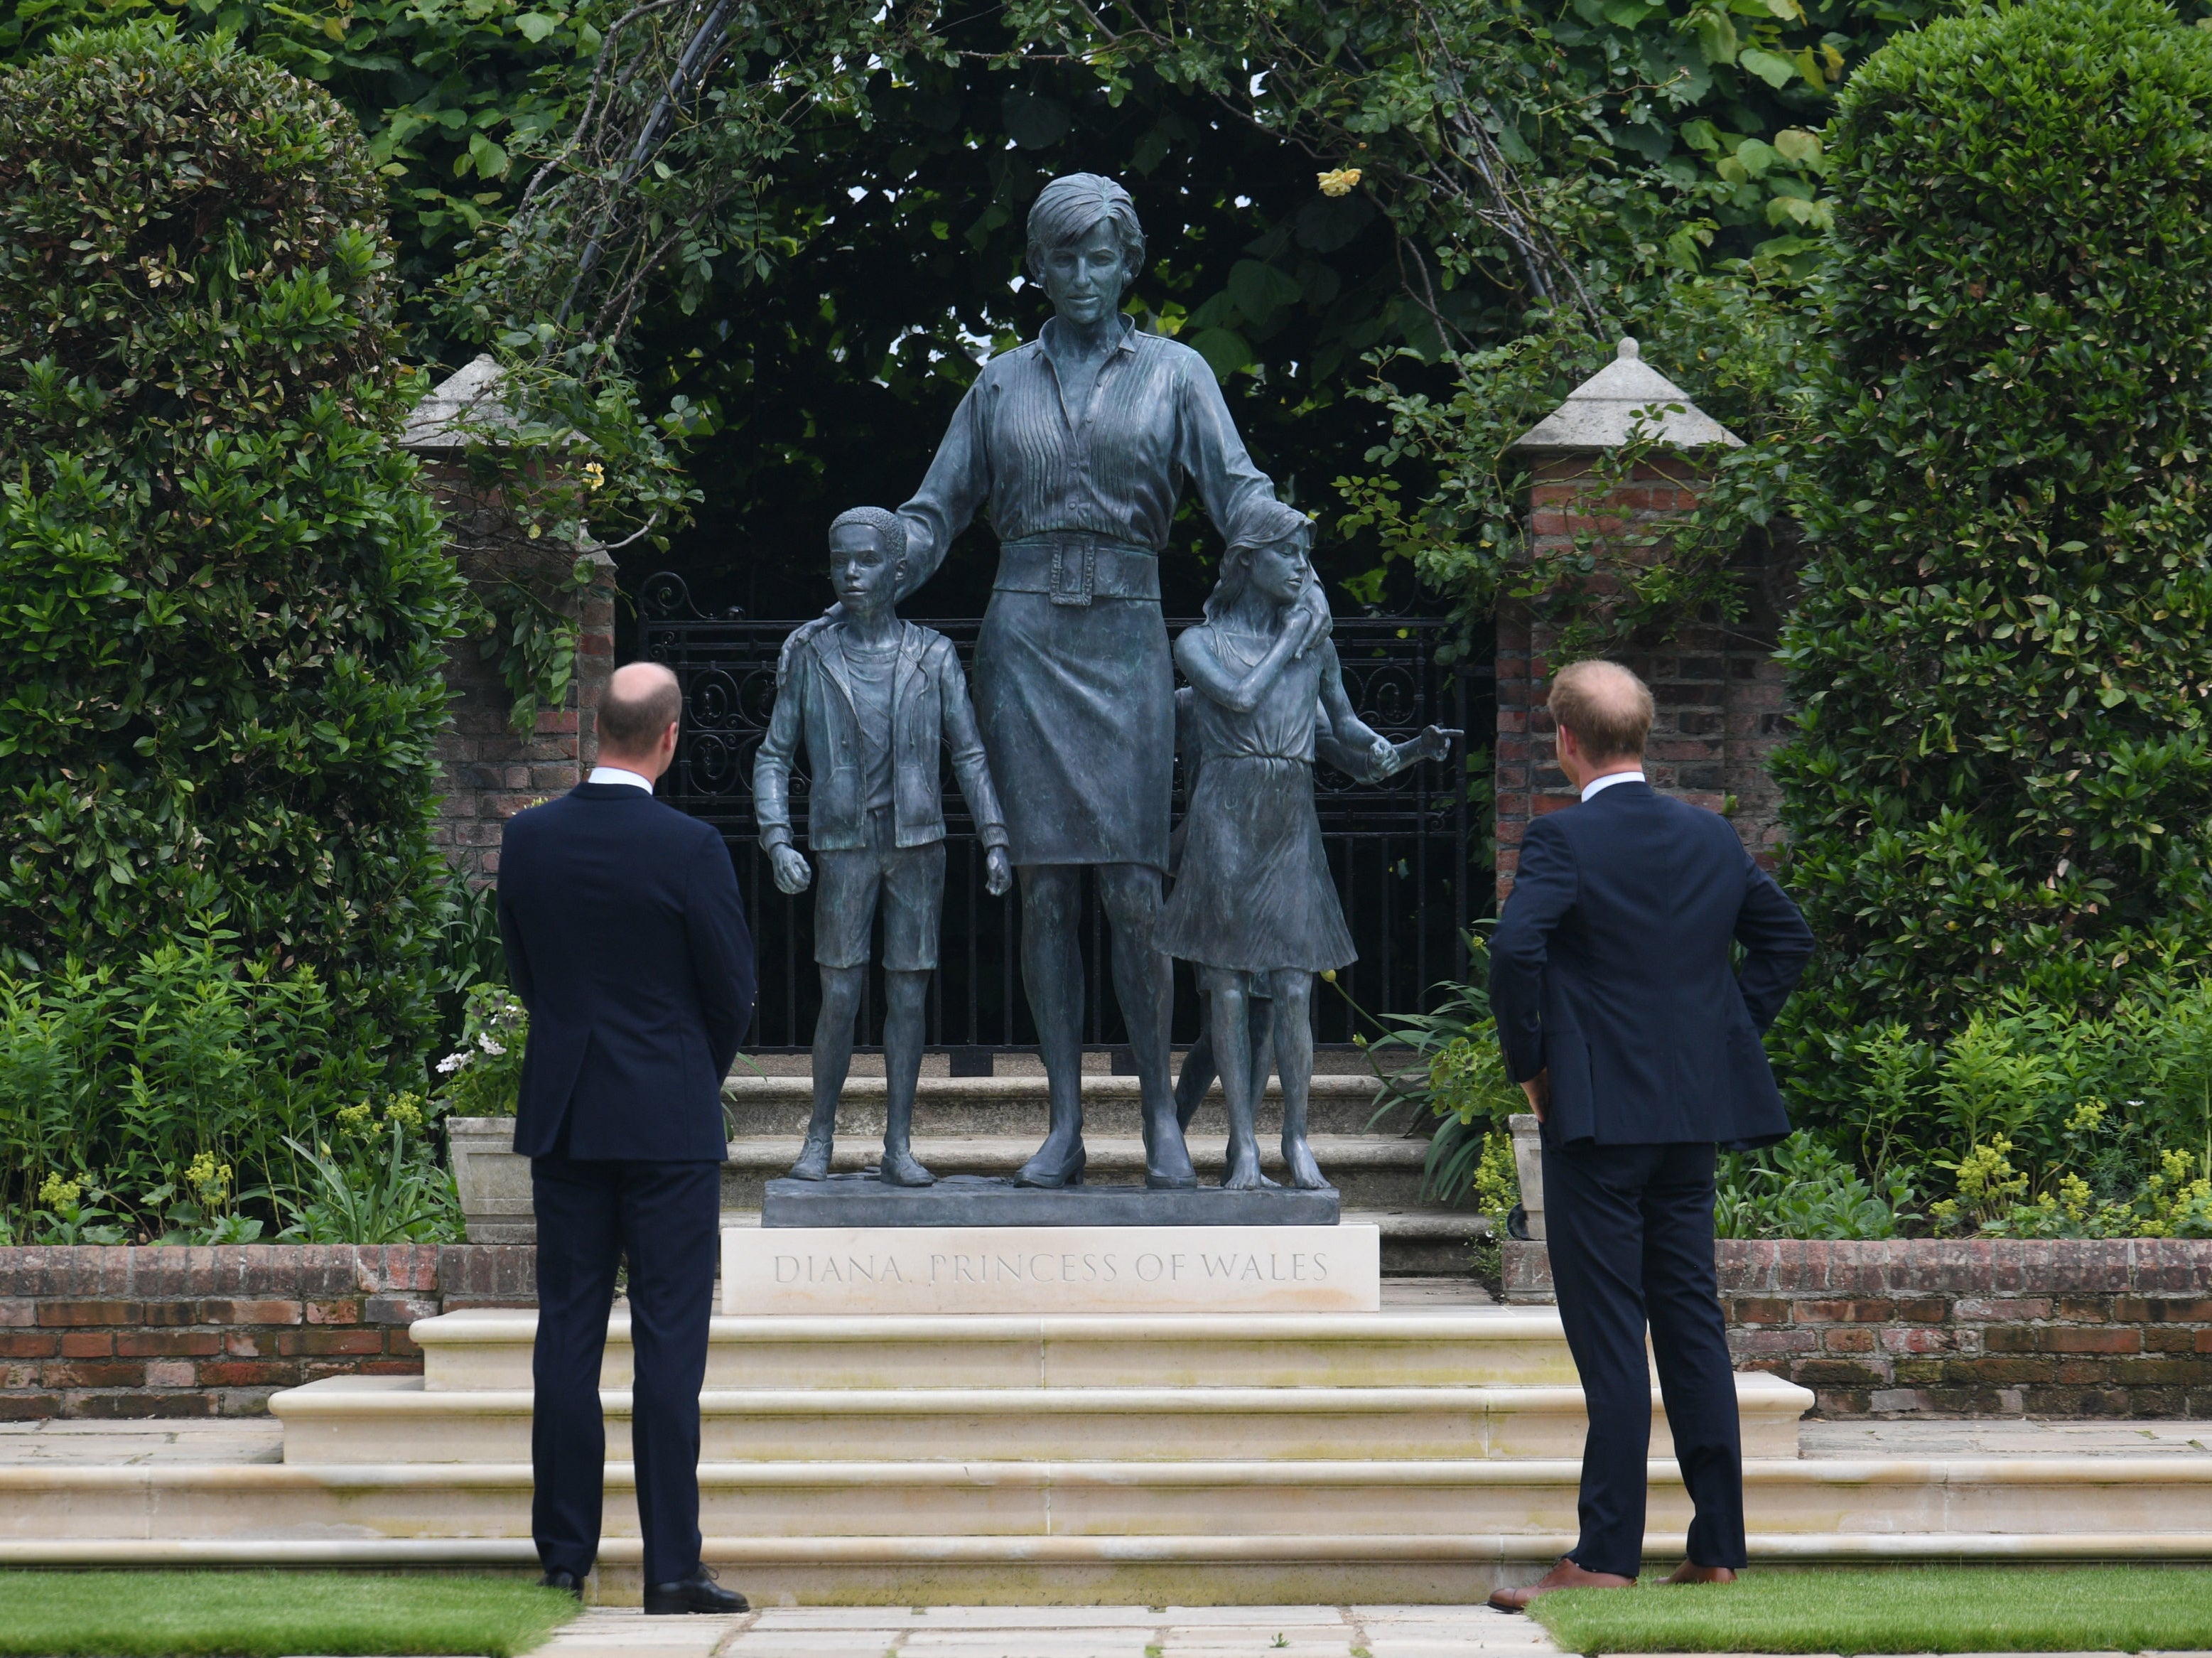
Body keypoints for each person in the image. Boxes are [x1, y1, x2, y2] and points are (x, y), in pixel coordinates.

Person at [785, 172, 1319, 1191]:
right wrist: (873, 563)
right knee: (1042, 895)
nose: (1081, 274)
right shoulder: (997, 385)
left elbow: (1236, 488)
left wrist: (1292, 551)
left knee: (1132, 886)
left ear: (1130, 263)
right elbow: (934, 512)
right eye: (1062, 256)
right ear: (1037, 265)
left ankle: (1161, 1114)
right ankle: (1066, 1119)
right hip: (1024, 642)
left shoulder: (1176, 374)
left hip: (1124, 636)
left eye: (1100, 256)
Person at [1484, 659, 1813, 1610]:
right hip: (1688, 1123)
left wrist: (1534, 1065)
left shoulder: (1561, 839)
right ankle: (1715, 1545)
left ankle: (1603, 1555)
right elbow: (1785, 940)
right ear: (1647, 735)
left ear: (1565, 742)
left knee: (1611, 1340)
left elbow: (1514, 950)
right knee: (1690, 1324)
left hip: (1594, 1123)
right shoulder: (1709, 836)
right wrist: (1722, 1037)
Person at [497, 660, 757, 1613]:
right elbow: (732, 991)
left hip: (568, 1114)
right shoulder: (690, 847)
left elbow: (526, 972)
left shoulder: (527, 840)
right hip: (668, 1123)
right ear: (670, 737)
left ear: (593, 729)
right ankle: (672, 1568)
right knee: (668, 1345)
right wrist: (688, 1067)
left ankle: (564, 1555)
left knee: (566, 1331)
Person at [1158, 506, 1454, 1189]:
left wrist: (1405, 749)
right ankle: (1241, 1147)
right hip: (1225, 816)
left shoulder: (1315, 647)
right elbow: (1236, 697)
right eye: (1286, 554)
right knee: (1227, 988)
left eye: (1303, 555)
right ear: (1246, 564)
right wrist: (1292, 635)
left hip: (1288, 817)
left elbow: (1346, 730)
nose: (1300, 566)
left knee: (1293, 986)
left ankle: (1295, 1139)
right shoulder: (1199, 642)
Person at [752, 506, 1014, 1185]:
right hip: (843, 845)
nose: (851, 573)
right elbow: (774, 756)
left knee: (907, 997)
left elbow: (970, 752)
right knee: (838, 996)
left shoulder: (931, 654)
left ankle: (899, 1143)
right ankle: (820, 1136)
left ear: (899, 572)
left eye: (866, 561)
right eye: (841, 560)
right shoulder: (811, 654)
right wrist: (777, 838)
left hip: (917, 845)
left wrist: (994, 836)